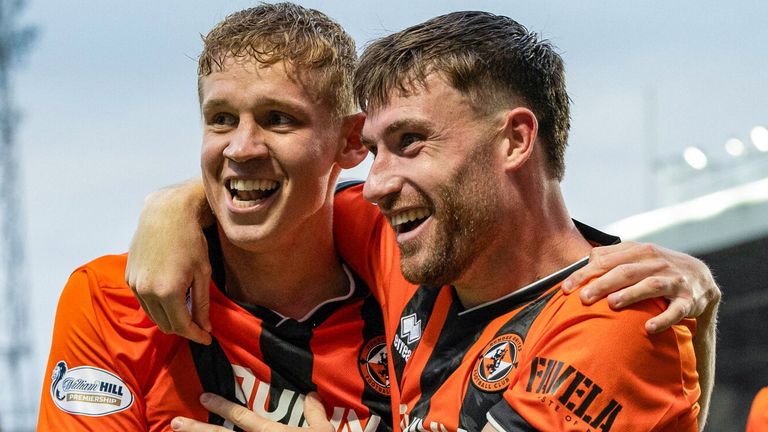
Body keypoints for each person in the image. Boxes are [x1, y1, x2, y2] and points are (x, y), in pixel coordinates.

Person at [127, 9, 720, 432]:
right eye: (377, 149)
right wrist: (174, 207)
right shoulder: (418, 250)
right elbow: (291, 197)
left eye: (411, 142)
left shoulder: (613, 319)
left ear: (514, 140)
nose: (379, 184)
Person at [37, 4, 391, 431]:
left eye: (278, 119)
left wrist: (176, 201)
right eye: (221, 119)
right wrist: (167, 203)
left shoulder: (412, 276)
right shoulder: (113, 300)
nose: (241, 148)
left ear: (352, 140)